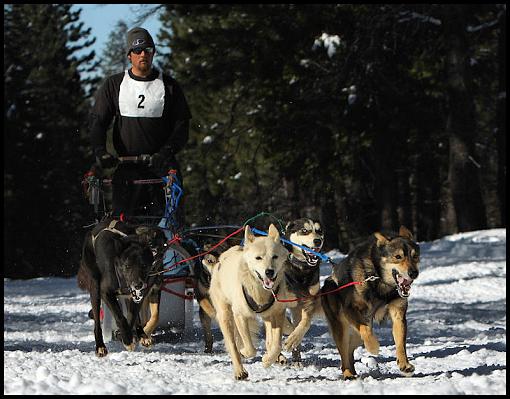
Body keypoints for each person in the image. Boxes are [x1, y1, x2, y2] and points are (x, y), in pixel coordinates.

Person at [89, 27, 191, 227]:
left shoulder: (169, 86)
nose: (143, 54)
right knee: (121, 226)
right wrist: (100, 152)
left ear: (153, 53)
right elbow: (98, 123)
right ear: (129, 55)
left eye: (148, 49)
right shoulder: (114, 85)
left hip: (162, 168)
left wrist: (166, 152)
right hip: (127, 168)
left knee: (171, 227)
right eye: (137, 51)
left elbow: (181, 127)